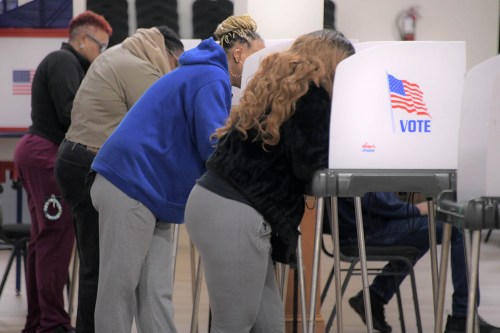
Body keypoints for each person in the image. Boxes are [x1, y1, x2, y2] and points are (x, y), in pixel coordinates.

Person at [88, 15, 264, 333]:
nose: (261, 69)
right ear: (239, 52)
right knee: (120, 288)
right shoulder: (212, 77)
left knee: (156, 291)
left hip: (150, 189)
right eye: (258, 57)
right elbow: (213, 146)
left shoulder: (203, 73)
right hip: (129, 182)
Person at [184, 29, 355, 332]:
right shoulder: (312, 94)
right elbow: (310, 165)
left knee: (268, 325)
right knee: (232, 324)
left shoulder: (280, 87)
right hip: (235, 212)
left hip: (215, 203)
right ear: (334, 64)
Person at [53, 26, 183, 333]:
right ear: (165, 52)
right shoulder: (140, 69)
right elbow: (167, 125)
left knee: (96, 269)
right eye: (176, 63)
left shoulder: (118, 54)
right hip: (92, 163)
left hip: (76, 158)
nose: (175, 71)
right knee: (104, 274)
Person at [12, 10, 112, 333]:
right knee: (56, 239)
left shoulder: (64, 63)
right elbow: (72, 115)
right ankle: (53, 323)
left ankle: (40, 320)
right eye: (101, 47)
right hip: (46, 155)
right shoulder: (64, 63)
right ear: (83, 39)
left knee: (43, 241)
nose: (102, 55)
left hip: (38, 152)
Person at [337, 192, 500, 333]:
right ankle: (463, 317)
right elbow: (372, 198)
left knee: (426, 230)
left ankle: (375, 295)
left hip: (360, 226)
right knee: (460, 226)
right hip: (364, 229)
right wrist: (415, 210)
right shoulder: (358, 156)